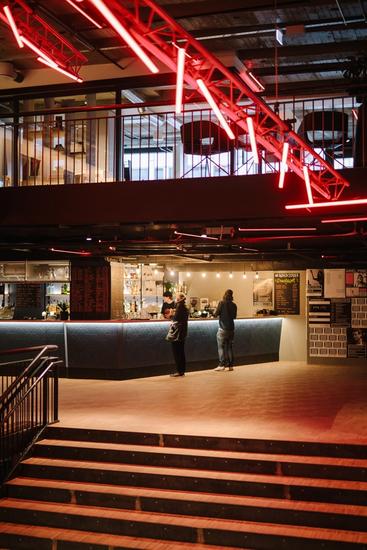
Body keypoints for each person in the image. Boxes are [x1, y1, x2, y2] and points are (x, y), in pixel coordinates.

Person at [213, 289, 237, 372]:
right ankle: (231, 366)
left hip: (223, 328)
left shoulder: (221, 303)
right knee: (230, 347)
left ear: (225, 294)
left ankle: (221, 365)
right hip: (231, 329)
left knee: (221, 347)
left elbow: (216, 314)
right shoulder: (234, 305)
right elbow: (234, 317)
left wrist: (214, 312)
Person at [169, 292, 189, 377]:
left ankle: (179, 371)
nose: (175, 298)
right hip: (183, 332)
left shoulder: (179, 307)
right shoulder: (185, 307)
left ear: (179, 299)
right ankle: (182, 370)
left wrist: (171, 315)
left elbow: (176, 319)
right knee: (181, 351)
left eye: (176, 297)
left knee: (176, 351)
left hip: (177, 332)